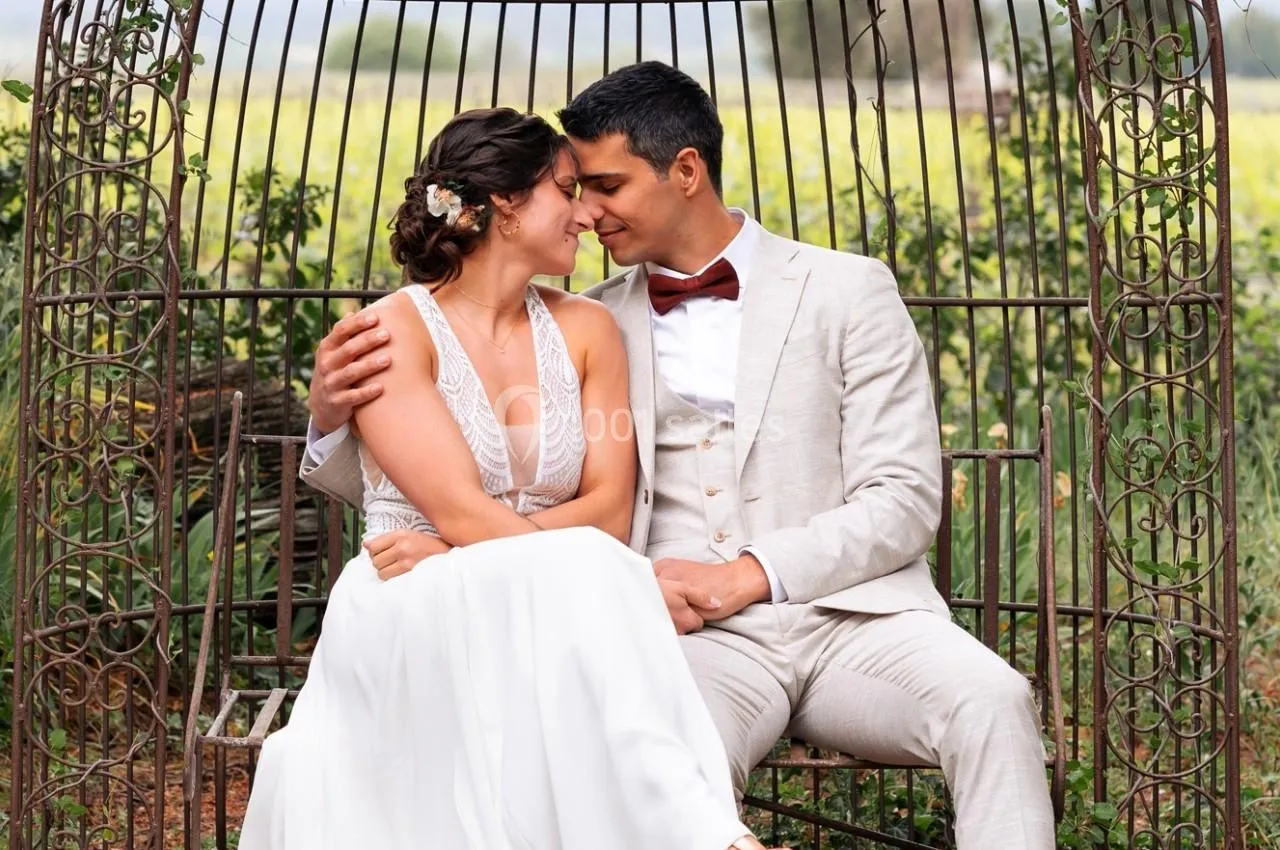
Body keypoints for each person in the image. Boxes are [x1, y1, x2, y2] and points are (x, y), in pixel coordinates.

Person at [303, 63, 1056, 848]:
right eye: (575, 191)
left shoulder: (848, 291)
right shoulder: (581, 320)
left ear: (686, 171)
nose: (588, 213)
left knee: (993, 700)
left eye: (606, 186)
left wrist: (747, 575)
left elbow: (903, 498)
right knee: (657, 771)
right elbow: (451, 468)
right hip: (684, 637)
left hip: (856, 621)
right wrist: (333, 419)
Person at [239, 107, 781, 850]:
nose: (587, 216)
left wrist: (458, 551)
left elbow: (610, 513)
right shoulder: (391, 334)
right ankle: (710, 837)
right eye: (567, 191)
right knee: (599, 593)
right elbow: (460, 509)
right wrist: (530, 562)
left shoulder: (590, 330)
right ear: (504, 203)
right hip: (413, 599)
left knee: (595, 588)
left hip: (501, 582)